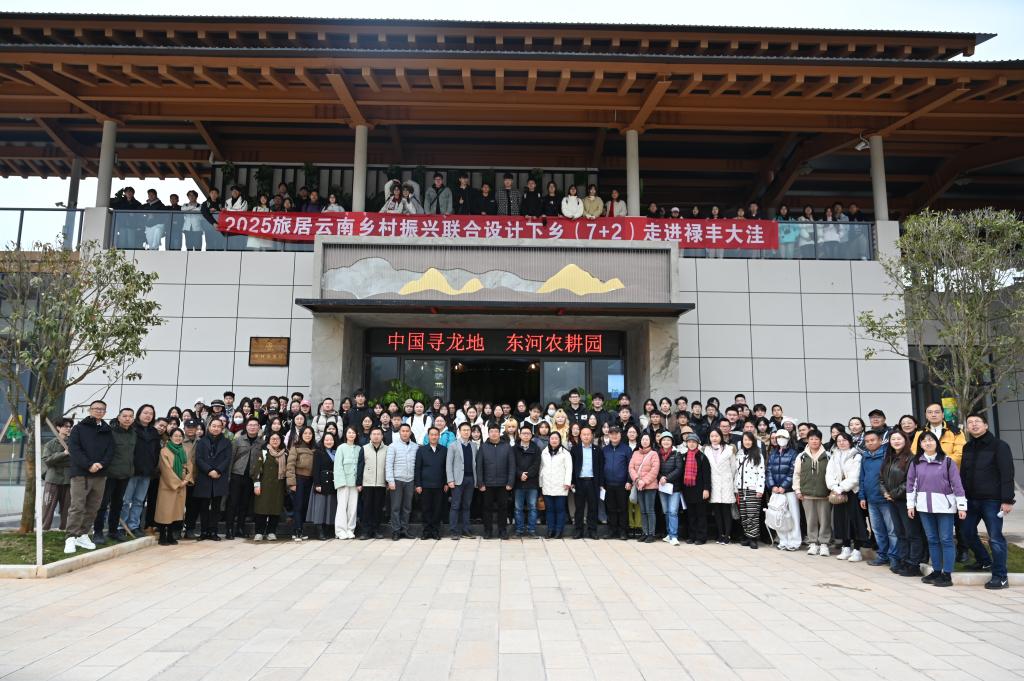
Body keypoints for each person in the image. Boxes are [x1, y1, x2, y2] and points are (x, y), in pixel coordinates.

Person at [960, 412, 1016, 589]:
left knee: (995, 538)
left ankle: (1000, 576)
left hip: (992, 500)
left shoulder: (999, 446)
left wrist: (1007, 500)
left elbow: (1007, 473)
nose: (974, 424)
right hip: (970, 499)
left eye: (977, 421)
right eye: (970, 422)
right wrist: (961, 497)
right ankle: (984, 561)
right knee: (966, 532)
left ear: (986, 425)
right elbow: (963, 474)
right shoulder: (967, 447)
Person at [907, 431, 967, 587]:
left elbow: (957, 485)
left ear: (936, 443)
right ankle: (936, 570)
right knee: (932, 539)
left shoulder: (947, 461)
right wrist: (910, 505)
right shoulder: (916, 462)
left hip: (945, 507)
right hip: (924, 507)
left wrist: (961, 506)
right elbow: (911, 485)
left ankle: (947, 574)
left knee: (946, 539)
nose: (928, 443)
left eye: (931, 440)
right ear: (920, 445)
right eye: (924, 441)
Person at [64, 401, 113, 554]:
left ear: (105, 412)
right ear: (90, 410)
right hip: (81, 473)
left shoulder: (107, 430)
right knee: (77, 506)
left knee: (93, 507)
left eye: (102, 409)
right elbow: (74, 449)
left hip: (100, 474)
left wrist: (101, 464)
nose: (99, 411)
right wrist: (89, 464)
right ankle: (71, 537)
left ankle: (83, 534)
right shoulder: (79, 428)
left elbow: (111, 450)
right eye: (96, 408)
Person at [879, 430, 924, 576]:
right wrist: (885, 493)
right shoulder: (889, 458)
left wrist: (893, 494)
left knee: (912, 533)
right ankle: (903, 561)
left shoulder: (911, 459)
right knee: (900, 533)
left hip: (906, 501)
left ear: (905, 440)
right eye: (893, 439)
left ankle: (913, 564)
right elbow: (881, 479)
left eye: (899, 439)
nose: (896, 441)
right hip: (892, 501)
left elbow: (910, 481)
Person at [92, 407, 134, 544]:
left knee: (118, 504)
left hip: (125, 474)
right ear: (119, 417)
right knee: (103, 504)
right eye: (125, 416)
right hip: (109, 474)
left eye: (130, 416)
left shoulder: (134, 433)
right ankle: (98, 532)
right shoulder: (110, 432)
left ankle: (113, 530)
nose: (127, 419)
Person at [827, 431, 866, 562]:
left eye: (844, 440)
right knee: (841, 520)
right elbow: (829, 473)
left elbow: (855, 476)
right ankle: (846, 547)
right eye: (839, 441)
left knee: (855, 520)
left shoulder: (856, 455)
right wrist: (834, 487)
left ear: (850, 441)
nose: (841, 443)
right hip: (838, 492)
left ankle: (857, 550)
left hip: (853, 492)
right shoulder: (834, 456)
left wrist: (841, 488)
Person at [859, 430, 897, 567]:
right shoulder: (865, 457)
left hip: (886, 500)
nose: (870, 443)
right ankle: (883, 555)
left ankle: (894, 557)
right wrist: (862, 496)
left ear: (880, 441)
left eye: (873, 440)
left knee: (892, 531)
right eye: (867, 441)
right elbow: (862, 478)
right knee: (878, 531)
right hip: (871, 500)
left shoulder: (888, 456)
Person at [793, 428, 831, 557]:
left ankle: (824, 543)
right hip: (807, 494)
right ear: (807, 441)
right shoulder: (801, 456)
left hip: (824, 494)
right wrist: (797, 490)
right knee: (810, 520)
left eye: (816, 439)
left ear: (821, 440)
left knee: (825, 520)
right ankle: (813, 543)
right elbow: (796, 474)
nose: (814, 441)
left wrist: (831, 490)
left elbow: (833, 474)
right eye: (811, 439)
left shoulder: (828, 455)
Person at [193, 417, 231, 541]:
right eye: (213, 426)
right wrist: (209, 470)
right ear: (209, 427)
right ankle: (204, 531)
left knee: (216, 506)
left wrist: (218, 470)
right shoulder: (201, 442)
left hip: (219, 477)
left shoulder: (227, 442)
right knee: (203, 506)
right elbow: (198, 459)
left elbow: (227, 459)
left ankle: (214, 531)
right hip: (205, 476)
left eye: (219, 426)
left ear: (222, 428)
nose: (216, 428)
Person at [226, 417, 262, 539]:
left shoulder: (261, 443)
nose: (252, 427)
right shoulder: (238, 440)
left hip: (250, 477)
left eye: (255, 425)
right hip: (237, 475)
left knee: (244, 504)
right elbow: (231, 458)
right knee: (233, 503)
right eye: (250, 425)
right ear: (246, 427)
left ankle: (240, 528)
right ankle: (229, 529)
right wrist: (229, 476)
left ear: (258, 427)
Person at [477, 424, 515, 539]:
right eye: (491, 431)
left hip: (503, 484)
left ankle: (502, 530)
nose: (494, 433)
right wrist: (480, 483)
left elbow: (512, 466)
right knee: (487, 508)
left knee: (503, 508)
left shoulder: (507, 446)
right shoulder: (483, 447)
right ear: (488, 433)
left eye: (496, 431)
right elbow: (479, 466)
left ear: (499, 433)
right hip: (487, 484)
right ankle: (488, 531)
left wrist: (510, 482)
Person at [766, 429, 801, 551]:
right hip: (776, 491)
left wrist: (784, 486)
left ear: (788, 439)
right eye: (778, 437)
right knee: (777, 515)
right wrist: (772, 486)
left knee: (793, 516)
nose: (781, 439)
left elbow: (793, 471)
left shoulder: (793, 453)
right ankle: (783, 540)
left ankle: (794, 541)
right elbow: (768, 470)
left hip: (789, 490)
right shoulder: (773, 453)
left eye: (783, 437)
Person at [154, 428, 190, 546]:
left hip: (182, 485)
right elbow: (166, 469)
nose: (178, 438)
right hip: (168, 485)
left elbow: (190, 466)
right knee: (165, 511)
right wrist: (178, 482)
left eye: (180, 436)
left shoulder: (184, 450)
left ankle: (170, 535)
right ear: (170, 437)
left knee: (175, 512)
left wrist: (186, 480)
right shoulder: (164, 451)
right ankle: (162, 536)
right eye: (175, 435)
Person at [251, 431, 286, 541]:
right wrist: (256, 484)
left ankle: (271, 532)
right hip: (264, 485)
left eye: (277, 439)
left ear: (281, 441)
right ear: (268, 441)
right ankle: (259, 532)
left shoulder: (285, 453)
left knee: (275, 510)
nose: (275, 441)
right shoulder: (264, 452)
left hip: (278, 486)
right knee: (261, 509)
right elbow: (257, 469)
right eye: (272, 439)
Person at [446, 422, 479, 540]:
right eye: (464, 430)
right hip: (457, 480)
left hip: (470, 479)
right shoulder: (453, 445)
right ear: (459, 431)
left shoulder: (473, 446)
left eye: (468, 430)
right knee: (455, 506)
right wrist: (450, 480)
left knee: (467, 506)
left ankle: (466, 530)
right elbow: (448, 464)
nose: (466, 432)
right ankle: (453, 531)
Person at [414, 426, 448, 540]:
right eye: (431, 434)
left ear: (439, 436)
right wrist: (418, 484)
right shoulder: (421, 450)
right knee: (426, 509)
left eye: (436, 435)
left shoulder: (444, 450)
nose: (434, 437)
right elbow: (417, 468)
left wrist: (446, 483)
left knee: (437, 509)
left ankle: (435, 531)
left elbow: (446, 468)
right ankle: (426, 531)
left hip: (439, 485)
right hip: (425, 485)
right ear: (428, 436)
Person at [570, 425, 604, 540]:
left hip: (593, 482)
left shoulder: (597, 450)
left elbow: (601, 467)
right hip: (579, 482)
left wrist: (601, 483)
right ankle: (578, 530)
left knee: (593, 507)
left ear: (592, 436)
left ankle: (592, 530)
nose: (586, 436)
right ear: (580, 436)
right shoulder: (575, 449)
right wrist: (572, 481)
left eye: (588, 434)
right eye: (584, 434)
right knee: (579, 507)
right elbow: (572, 467)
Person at [386, 423, 418, 540]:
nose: (405, 433)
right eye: (403, 431)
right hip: (397, 480)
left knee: (407, 507)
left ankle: (405, 529)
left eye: (407, 431)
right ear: (399, 432)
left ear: (410, 433)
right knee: (395, 507)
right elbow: (388, 464)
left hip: (410, 480)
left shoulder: (415, 447)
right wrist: (390, 481)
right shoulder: (392, 446)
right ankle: (396, 530)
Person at [734, 432, 766, 549]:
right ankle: (747, 536)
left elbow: (761, 473)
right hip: (741, 488)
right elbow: (737, 472)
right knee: (744, 514)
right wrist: (736, 488)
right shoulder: (739, 454)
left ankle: (753, 538)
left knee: (753, 514)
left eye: (749, 440)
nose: (747, 442)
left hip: (753, 488)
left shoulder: (758, 454)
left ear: (753, 441)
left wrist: (760, 489)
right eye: (745, 440)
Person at [678, 433, 711, 544]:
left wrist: (706, 489)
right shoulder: (684, 456)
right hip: (688, 490)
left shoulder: (702, 457)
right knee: (691, 514)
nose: (691, 444)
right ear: (686, 443)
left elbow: (706, 475)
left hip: (700, 490)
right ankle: (692, 536)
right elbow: (681, 474)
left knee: (700, 514)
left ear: (697, 444)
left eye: (694, 442)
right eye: (689, 442)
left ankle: (701, 537)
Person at [41, 418, 73, 531]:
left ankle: (65, 529)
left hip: (68, 479)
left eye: (70, 426)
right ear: (58, 428)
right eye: (65, 426)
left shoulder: (74, 443)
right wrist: (63, 454)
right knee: (48, 505)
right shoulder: (50, 444)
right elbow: (47, 460)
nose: (68, 428)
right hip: (53, 479)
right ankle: (44, 528)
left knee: (67, 507)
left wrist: (57, 459)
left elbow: (74, 460)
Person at [705, 428, 736, 545]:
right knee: (716, 510)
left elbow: (733, 467)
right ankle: (720, 534)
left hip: (726, 482)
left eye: (716, 436)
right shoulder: (706, 449)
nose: (714, 438)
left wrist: (730, 480)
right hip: (714, 483)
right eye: (712, 436)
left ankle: (727, 535)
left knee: (726, 510)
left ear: (721, 437)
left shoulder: (729, 449)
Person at [356, 427, 388, 540]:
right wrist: (359, 483)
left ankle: (376, 530)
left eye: (378, 434)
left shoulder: (387, 449)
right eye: (374, 434)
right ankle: (365, 531)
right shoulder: (364, 448)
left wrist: (388, 481)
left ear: (382, 436)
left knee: (378, 508)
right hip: (367, 483)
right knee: (367, 508)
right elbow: (360, 466)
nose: (376, 436)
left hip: (381, 483)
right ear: (370, 436)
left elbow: (388, 466)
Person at [629, 432, 661, 543]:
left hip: (650, 486)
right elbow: (631, 468)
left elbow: (655, 470)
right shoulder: (635, 453)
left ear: (650, 441)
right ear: (640, 441)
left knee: (649, 510)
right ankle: (645, 532)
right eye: (643, 439)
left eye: (647, 439)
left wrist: (644, 481)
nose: (645, 441)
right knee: (642, 510)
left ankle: (651, 534)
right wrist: (637, 480)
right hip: (639, 485)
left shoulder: (654, 454)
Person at [539, 431, 572, 539]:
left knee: (560, 509)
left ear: (559, 440)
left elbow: (569, 469)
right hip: (547, 484)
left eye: (556, 438)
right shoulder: (544, 452)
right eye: (552, 438)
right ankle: (550, 530)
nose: (554, 440)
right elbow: (541, 468)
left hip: (561, 486)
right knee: (549, 510)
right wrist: (541, 483)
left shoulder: (565, 453)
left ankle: (559, 531)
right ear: (549, 440)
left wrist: (567, 482)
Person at [286, 425, 317, 541]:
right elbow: (290, 465)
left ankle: (300, 530)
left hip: (310, 480)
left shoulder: (315, 448)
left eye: (310, 433)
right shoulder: (296, 447)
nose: (308, 435)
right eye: (305, 433)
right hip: (299, 479)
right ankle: (297, 531)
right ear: (301, 435)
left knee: (304, 506)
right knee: (298, 506)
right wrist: (292, 483)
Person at [602, 426, 632, 540]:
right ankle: (612, 530)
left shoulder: (626, 449)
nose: (614, 436)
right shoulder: (605, 450)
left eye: (616, 434)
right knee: (610, 508)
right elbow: (601, 466)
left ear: (620, 435)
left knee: (623, 508)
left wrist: (629, 481)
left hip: (622, 484)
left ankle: (623, 531)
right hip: (608, 484)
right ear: (608, 435)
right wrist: (602, 483)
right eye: (612, 434)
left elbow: (631, 467)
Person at [308, 431, 339, 540]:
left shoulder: (336, 452)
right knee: (320, 507)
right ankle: (320, 531)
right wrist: (317, 484)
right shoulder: (318, 452)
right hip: (321, 481)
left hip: (332, 482)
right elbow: (315, 469)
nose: (329, 442)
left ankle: (327, 530)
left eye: (331, 440)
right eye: (326, 440)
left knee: (330, 506)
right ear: (323, 441)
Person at [332, 427, 361, 540]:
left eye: (353, 432)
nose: (351, 434)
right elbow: (338, 466)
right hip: (343, 483)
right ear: (346, 434)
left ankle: (350, 529)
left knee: (353, 508)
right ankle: (340, 531)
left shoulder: (359, 448)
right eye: (349, 432)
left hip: (355, 483)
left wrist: (359, 482)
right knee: (342, 507)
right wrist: (341, 482)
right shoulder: (341, 448)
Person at [513, 424, 541, 538]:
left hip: (532, 483)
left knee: (532, 507)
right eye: (523, 433)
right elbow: (512, 464)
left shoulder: (536, 448)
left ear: (531, 435)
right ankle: (519, 530)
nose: (526, 435)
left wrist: (527, 475)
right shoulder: (514, 448)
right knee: (518, 508)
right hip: (518, 482)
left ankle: (532, 530)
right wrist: (520, 474)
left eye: (528, 433)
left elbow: (537, 464)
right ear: (519, 435)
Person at [655, 432, 683, 546]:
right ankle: (669, 533)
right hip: (662, 487)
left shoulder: (677, 453)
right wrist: (660, 477)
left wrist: (666, 478)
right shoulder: (657, 454)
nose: (666, 442)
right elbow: (655, 468)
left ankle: (674, 535)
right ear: (660, 442)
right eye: (664, 440)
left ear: (672, 442)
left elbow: (679, 469)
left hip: (674, 487)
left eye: (668, 440)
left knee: (673, 511)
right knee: (666, 511)